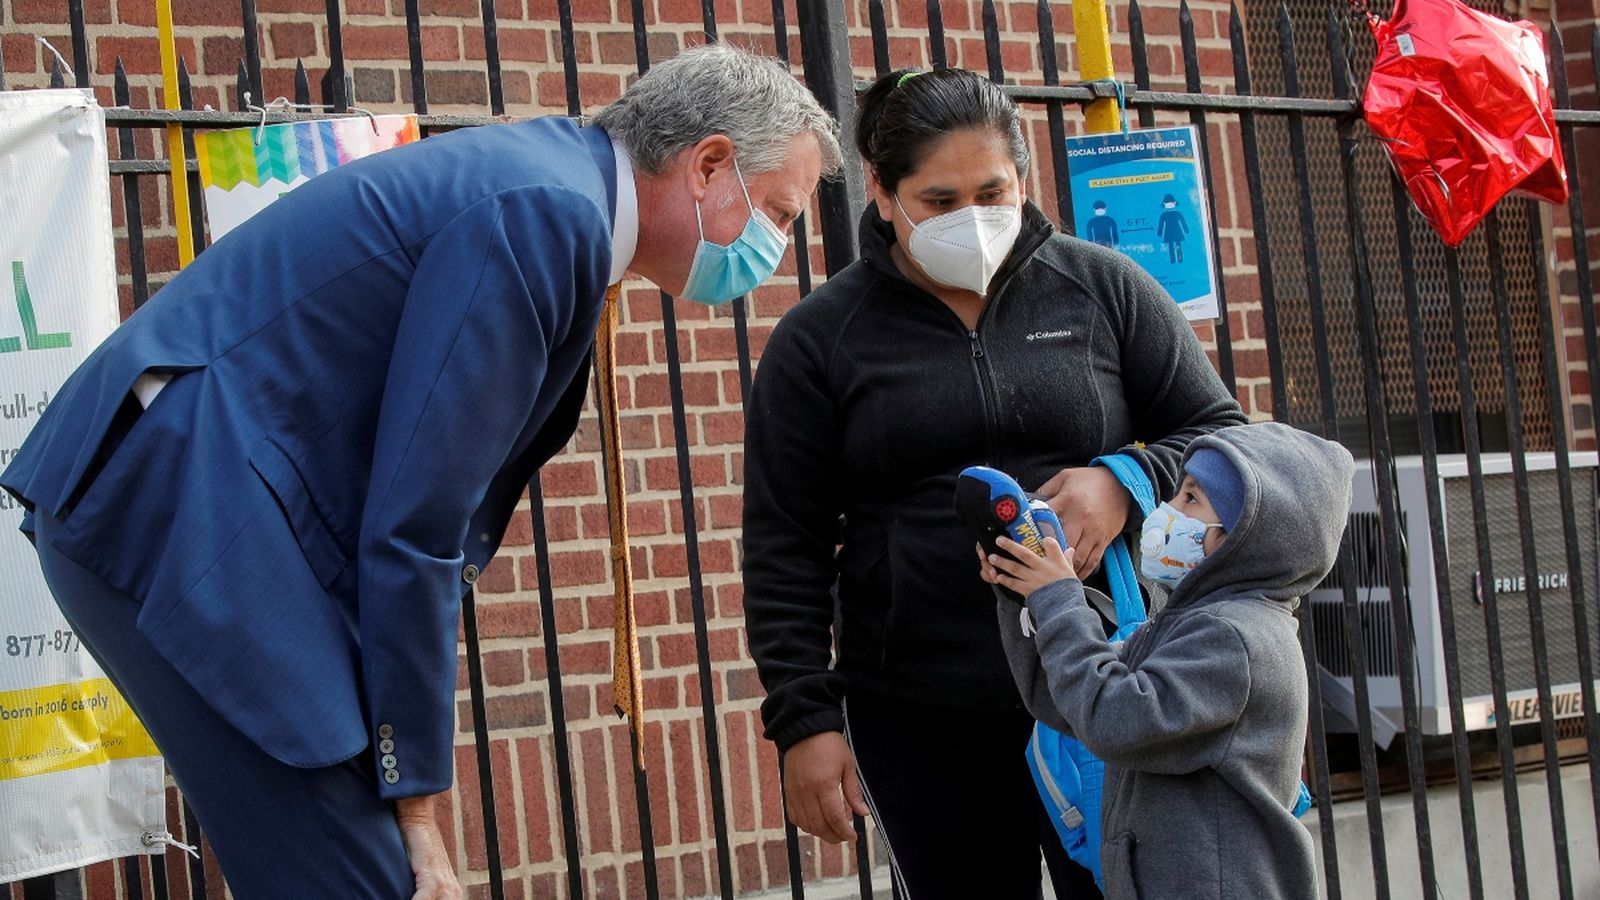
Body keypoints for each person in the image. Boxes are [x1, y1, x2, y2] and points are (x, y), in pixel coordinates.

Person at [1, 44, 839, 899]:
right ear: (708, 164)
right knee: (366, 877)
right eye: (778, 211)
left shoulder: (556, 186)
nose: (776, 245)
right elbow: (418, 521)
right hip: (179, 508)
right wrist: (418, 803)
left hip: (183, 502)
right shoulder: (549, 213)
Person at [741, 67, 1245, 899]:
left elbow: (1225, 440)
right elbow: (783, 546)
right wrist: (805, 720)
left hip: (1108, 684)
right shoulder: (820, 339)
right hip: (920, 711)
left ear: (1024, 177)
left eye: (992, 191)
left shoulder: (1103, 288)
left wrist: (1124, 481)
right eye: (939, 201)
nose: (971, 219)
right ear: (881, 191)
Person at [981, 422, 1350, 899]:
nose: (1168, 510)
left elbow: (1113, 719)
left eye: (1191, 498)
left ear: (1239, 537)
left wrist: (1059, 598)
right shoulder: (1193, 625)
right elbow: (1065, 700)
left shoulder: (1236, 640)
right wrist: (1023, 593)